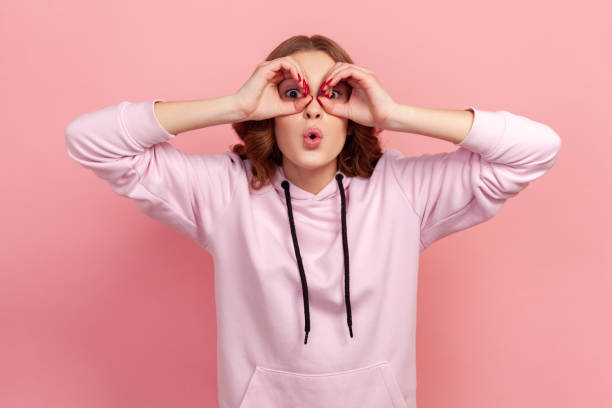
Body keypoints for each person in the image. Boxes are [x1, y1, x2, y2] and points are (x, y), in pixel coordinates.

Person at [64, 34, 562, 408]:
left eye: (334, 96)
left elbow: (537, 149)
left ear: (355, 114)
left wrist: (394, 114)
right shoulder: (224, 192)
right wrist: (233, 106)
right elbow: (89, 139)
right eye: (289, 95)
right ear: (268, 112)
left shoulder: (404, 191)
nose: (312, 113)